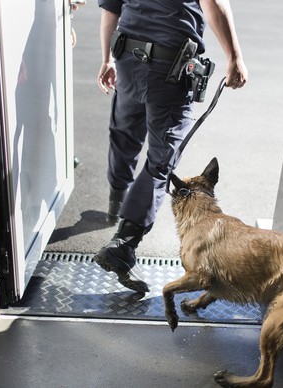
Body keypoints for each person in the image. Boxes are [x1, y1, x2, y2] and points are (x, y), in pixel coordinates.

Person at [93, 0, 248, 293]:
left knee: (124, 133)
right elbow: (214, 3)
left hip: (126, 56)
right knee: (161, 159)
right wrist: (234, 55)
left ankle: (117, 197)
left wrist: (107, 59)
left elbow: (110, 9)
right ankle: (124, 242)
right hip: (168, 67)